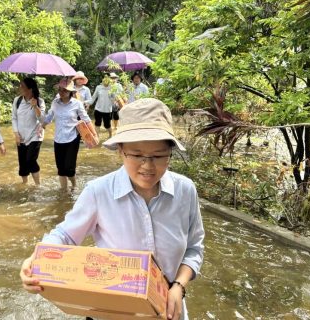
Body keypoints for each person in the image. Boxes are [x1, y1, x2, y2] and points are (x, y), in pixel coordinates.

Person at [20, 98, 205, 320]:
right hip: (111, 312)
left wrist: (179, 286)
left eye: (158, 155)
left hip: (168, 310)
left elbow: (194, 248)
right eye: (136, 155)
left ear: (170, 153)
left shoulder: (185, 191)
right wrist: (38, 259)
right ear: (120, 151)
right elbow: (66, 235)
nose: (147, 165)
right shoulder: (99, 192)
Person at [44, 79, 97, 189]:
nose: (61, 92)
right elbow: (49, 117)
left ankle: (74, 185)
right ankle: (64, 192)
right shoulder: (55, 103)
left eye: (64, 90)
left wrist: (94, 134)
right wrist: (41, 125)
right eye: (60, 90)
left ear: (71, 92)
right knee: (61, 169)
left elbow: (86, 120)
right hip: (58, 139)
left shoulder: (77, 104)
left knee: (69, 168)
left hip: (72, 138)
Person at [12, 77, 46, 185]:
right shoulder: (17, 101)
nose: (20, 88)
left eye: (22, 86)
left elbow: (43, 120)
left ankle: (38, 185)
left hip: (35, 135)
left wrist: (35, 106)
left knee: (30, 160)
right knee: (22, 162)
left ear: (30, 89)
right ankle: (25, 184)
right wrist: (16, 134)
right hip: (21, 136)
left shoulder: (40, 101)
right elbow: (14, 118)